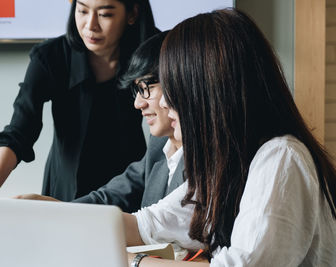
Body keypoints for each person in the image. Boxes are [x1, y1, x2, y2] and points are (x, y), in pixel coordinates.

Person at [123, 9, 336, 266]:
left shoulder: (281, 157)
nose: (165, 102)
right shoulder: (228, 164)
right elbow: (148, 224)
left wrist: (135, 261)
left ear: (207, 90)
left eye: (173, 87)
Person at [0, 32, 185, 238]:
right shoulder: (159, 145)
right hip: (80, 200)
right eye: (83, 9)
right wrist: (42, 208)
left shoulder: (161, 50)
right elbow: (111, 195)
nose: (138, 104)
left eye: (146, 89)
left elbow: (148, 224)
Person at [0, 0, 157, 202]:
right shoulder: (51, 56)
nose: (90, 26)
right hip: (64, 189)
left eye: (105, 15)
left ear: (132, 13)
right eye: (82, 11)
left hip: (128, 186)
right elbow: (19, 131)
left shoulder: (153, 53)